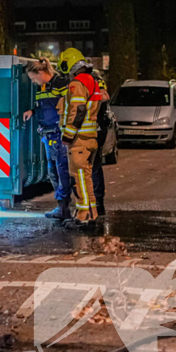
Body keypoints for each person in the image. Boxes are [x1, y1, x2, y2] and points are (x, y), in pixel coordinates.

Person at [58, 48, 102, 225]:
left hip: (80, 139)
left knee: (79, 178)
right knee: (86, 177)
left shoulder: (77, 84)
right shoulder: (92, 81)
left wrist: (68, 135)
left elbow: (78, 110)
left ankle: (84, 216)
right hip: (90, 137)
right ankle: (91, 213)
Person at [23, 58, 71, 220]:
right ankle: (61, 206)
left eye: (33, 78)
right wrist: (33, 112)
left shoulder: (61, 84)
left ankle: (65, 207)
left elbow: (70, 106)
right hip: (48, 134)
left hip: (59, 134)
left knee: (62, 171)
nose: (33, 82)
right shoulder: (43, 87)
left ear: (41, 73)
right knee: (54, 172)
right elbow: (45, 106)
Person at [91, 70, 110, 218]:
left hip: (95, 128)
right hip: (98, 126)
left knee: (93, 166)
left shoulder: (94, 79)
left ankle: (97, 203)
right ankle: (97, 202)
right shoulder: (95, 78)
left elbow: (104, 96)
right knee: (94, 166)